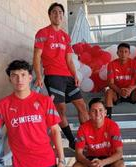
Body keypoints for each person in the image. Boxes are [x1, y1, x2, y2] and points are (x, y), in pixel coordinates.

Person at [33, 2, 89, 150]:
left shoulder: (65, 36)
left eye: (60, 13)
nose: (57, 15)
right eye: (54, 12)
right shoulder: (42, 33)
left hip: (68, 77)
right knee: (61, 110)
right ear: (50, 15)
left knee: (82, 107)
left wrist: (75, 74)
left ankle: (86, 138)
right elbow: (37, 56)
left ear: (63, 16)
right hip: (53, 76)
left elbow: (69, 59)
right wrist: (39, 76)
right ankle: (72, 140)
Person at [72, 98, 126, 167]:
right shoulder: (83, 128)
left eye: (100, 110)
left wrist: (103, 162)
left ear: (105, 112)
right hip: (91, 160)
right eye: (94, 111)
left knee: (121, 166)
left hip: (109, 160)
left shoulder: (113, 126)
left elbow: (119, 153)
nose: (97, 114)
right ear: (89, 113)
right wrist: (90, 163)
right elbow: (78, 154)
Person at [105, 43, 136, 130]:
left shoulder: (134, 64)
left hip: (131, 93)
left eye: (126, 52)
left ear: (129, 53)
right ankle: (108, 122)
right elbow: (110, 83)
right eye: (121, 51)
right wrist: (119, 91)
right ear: (117, 53)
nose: (123, 54)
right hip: (117, 93)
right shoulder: (111, 64)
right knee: (108, 91)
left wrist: (130, 89)